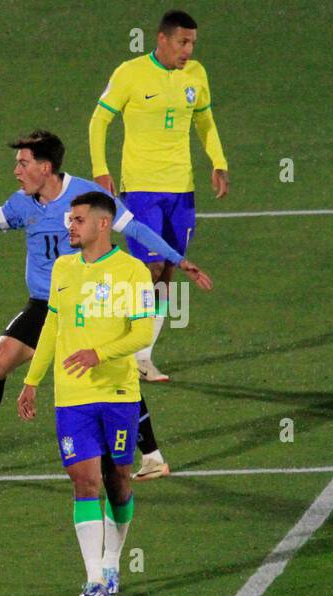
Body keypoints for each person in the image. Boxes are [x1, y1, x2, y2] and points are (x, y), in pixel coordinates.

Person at [0, 130, 209, 481]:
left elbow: (136, 229)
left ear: (46, 167)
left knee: (112, 379)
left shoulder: (89, 198)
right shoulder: (21, 204)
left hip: (87, 308)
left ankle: (152, 457)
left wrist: (179, 259)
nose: (16, 171)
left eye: (23, 164)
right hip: (43, 305)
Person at [16, 192, 155, 596]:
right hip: (73, 396)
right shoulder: (62, 268)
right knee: (84, 481)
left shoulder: (134, 271)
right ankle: (94, 578)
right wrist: (31, 380)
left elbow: (143, 332)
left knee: (118, 482)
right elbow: (52, 328)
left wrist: (99, 353)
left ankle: (113, 561)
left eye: (77, 220)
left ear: (102, 224)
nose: (69, 227)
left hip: (117, 392)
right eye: (68, 220)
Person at [89, 8, 229, 382]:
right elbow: (99, 120)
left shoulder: (196, 75)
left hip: (181, 189)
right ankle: (122, 346)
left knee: (168, 269)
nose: (188, 50)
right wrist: (100, 170)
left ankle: (143, 356)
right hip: (142, 188)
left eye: (193, 44)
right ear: (162, 39)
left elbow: (204, 120)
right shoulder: (130, 73)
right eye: (182, 42)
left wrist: (218, 160)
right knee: (147, 269)